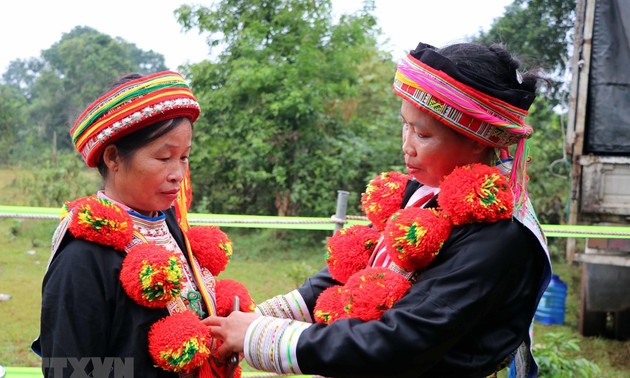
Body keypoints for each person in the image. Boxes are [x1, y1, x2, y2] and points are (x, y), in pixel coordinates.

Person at [203, 42, 552, 378]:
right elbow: (356, 273)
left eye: (422, 135)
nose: (406, 146)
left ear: (477, 139)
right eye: (405, 125)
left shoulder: (499, 235)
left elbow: (403, 340)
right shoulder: (423, 194)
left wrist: (261, 336)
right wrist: (264, 314)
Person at [32, 71, 252, 378]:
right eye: (164, 158)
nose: (178, 173)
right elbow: (70, 369)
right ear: (113, 158)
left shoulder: (172, 225)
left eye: (185, 157)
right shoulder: (82, 257)